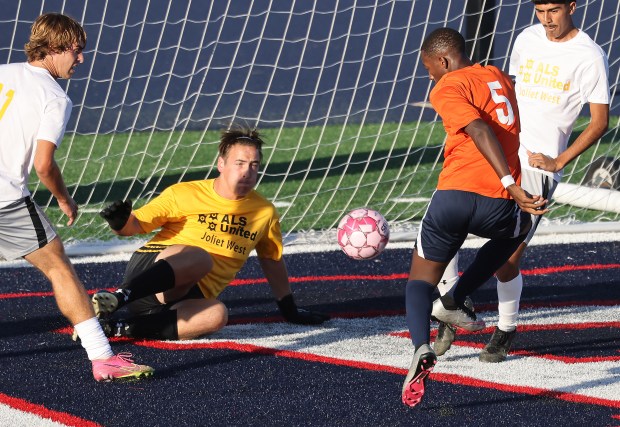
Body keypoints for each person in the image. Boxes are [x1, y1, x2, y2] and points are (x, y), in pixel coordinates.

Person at [433, 0, 610, 363]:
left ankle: (506, 329)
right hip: (498, 155)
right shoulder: (526, 38)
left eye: (554, 11)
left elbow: (599, 122)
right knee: (444, 231)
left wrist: (558, 160)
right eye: (540, 10)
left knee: (507, 259)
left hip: (538, 169)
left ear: (572, 7)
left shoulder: (590, 55)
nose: (546, 20)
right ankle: (452, 305)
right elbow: (505, 94)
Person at [0, 13, 154, 381]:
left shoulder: (3, 71)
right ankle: (103, 358)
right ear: (53, 48)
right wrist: (65, 200)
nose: (81, 59)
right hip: (5, 200)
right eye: (76, 50)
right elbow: (43, 165)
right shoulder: (54, 96)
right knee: (59, 267)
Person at [401, 27, 547, 408]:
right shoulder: (497, 76)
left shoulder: (447, 85)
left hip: (454, 196)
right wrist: (511, 186)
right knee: (521, 229)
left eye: (430, 67)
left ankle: (420, 346)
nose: (429, 75)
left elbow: (479, 127)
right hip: (497, 204)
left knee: (418, 282)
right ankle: (458, 297)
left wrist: (508, 181)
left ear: (444, 60)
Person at [88, 125, 330, 341]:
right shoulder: (184, 193)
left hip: (185, 297)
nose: (247, 172)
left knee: (216, 315)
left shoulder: (264, 212)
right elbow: (135, 226)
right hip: (151, 273)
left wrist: (289, 309)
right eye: (239, 163)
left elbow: (272, 260)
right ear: (221, 164)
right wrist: (119, 223)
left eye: (254, 165)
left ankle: (115, 328)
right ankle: (118, 297)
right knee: (201, 257)